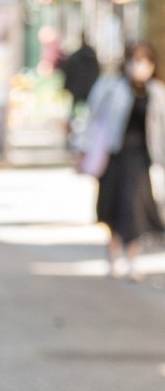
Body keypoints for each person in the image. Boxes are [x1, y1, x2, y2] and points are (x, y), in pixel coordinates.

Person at [78, 42, 165, 281]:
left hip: (141, 158)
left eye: (145, 62)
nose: (139, 67)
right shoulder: (111, 88)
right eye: (134, 61)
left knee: (135, 210)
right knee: (113, 208)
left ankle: (133, 259)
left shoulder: (156, 93)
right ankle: (113, 256)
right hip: (115, 155)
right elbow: (93, 120)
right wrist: (84, 149)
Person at [59, 35, 101, 144]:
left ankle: (73, 138)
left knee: (75, 116)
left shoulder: (75, 57)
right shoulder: (92, 58)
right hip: (88, 90)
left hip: (77, 90)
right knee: (86, 117)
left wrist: (68, 88)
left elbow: (67, 72)